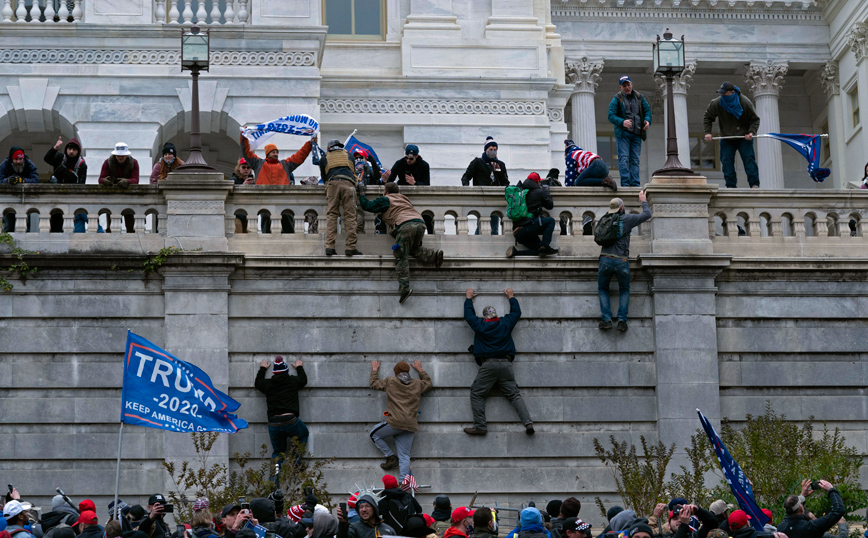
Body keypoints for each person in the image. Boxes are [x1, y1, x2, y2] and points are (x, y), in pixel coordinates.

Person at [463, 287, 533, 435]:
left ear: (485, 317)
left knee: (477, 393)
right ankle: (528, 423)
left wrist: (468, 299)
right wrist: (511, 297)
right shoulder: (505, 323)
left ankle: (480, 426)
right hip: (506, 365)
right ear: (495, 315)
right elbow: (516, 313)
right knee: (514, 395)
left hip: (489, 365)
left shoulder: (481, 325)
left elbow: (469, 316)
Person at [358, 182, 444, 302]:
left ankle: (404, 288)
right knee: (412, 249)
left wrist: (362, 192)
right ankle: (434, 256)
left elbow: (367, 206)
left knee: (401, 255)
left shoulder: (386, 199)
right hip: (420, 223)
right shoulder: (404, 198)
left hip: (405, 226)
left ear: (386, 192)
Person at [598, 191, 652, 332]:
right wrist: (643, 201)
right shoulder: (627, 219)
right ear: (622, 208)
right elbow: (647, 215)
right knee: (624, 290)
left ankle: (607, 320)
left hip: (605, 258)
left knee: (603, 289)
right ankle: (622, 321)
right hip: (621, 259)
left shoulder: (605, 218)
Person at [369, 360, 433, 478]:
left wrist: (374, 370)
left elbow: (374, 383)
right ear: (408, 371)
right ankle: (403, 484)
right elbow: (428, 383)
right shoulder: (417, 384)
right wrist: (420, 370)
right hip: (410, 425)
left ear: (395, 372)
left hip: (395, 422)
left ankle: (390, 457)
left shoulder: (390, 381)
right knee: (404, 456)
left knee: (374, 434)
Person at [703, 81, 761, 188]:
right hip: (727, 137)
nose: (722, 95)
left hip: (744, 137)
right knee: (726, 161)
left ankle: (754, 184)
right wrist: (708, 133)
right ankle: (731, 186)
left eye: (724, 93)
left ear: (732, 92)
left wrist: (751, 132)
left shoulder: (744, 102)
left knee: (749, 159)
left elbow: (755, 120)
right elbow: (707, 118)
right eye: (721, 93)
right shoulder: (717, 103)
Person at [255, 355, 309, 467]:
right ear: (286, 371)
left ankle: (275, 479)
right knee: (303, 434)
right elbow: (303, 380)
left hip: (273, 423)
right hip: (290, 421)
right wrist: (299, 367)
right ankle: (295, 462)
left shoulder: (268, 384)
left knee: (278, 453)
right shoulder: (293, 381)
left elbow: (258, 383)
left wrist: (263, 368)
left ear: (274, 372)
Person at [318, 139, 361, 256]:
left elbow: (324, 176)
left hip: (332, 183)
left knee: (332, 214)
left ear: (329, 148)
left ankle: (329, 247)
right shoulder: (349, 155)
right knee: (350, 216)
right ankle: (350, 247)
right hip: (348, 184)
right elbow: (353, 171)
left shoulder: (325, 157)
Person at [608, 76, 652, 187]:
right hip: (623, 134)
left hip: (637, 133)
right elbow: (611, 116)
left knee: (635, 159)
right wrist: (622, 122)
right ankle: (625, 184)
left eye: (628, 85)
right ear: (620, 87)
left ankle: (635, 184)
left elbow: (647, 111)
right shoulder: (617, 99)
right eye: (624, 86)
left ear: (632, 84)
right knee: (624, 158)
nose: (627, 88)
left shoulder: (640, 97)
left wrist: (647, 120)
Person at [506, 173, 557, 258]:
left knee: (539, 250)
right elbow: (550, 205)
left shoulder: (520, 192)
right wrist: (546, 192)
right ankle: (545, 245)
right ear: (537, 182)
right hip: (528, 228)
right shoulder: (539, 192)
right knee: (550, 221)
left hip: (518, 233)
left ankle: (515, 253)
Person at [777, 480, 845, 538]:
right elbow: (839, 510)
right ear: (801, 508)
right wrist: (831, 489)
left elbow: (790, 513)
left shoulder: (781, 527)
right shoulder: (810, 528)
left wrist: (802, 496)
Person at [240, 133, 314, 186]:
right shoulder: (258, 163)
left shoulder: (285, 165)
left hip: (282, 200)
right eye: (273, 152)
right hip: (263, 199)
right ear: (267, 154)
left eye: (277, 152)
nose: (276, 154)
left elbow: (299, 156)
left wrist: (309, 145)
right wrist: (244, 137)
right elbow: (247, 152)